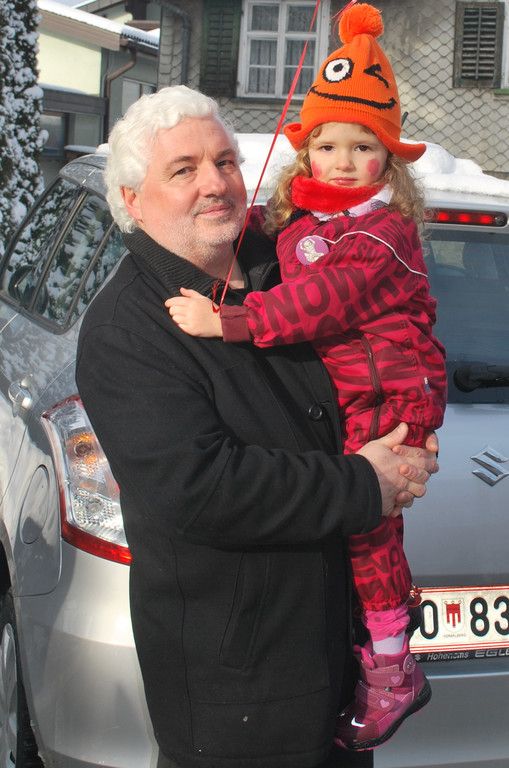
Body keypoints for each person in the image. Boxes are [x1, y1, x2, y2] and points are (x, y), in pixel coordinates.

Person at [76, 83, 439, 768]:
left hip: (335, 670)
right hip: (242, 695)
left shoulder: (289, 262)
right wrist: (366, 483)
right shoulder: (127, 330)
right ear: (132, 200)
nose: (215, 183)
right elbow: (201, 488)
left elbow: (386, 334)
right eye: (183, 170)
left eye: (224, 162)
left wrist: (410, 418)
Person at [165, 4, 447, 754]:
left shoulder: (382, 234)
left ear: (389, 159)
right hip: (353, 392)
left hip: (389, 396)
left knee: (367, 523)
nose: (343, 161)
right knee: (352, 520)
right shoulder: (309, 218)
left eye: (362, 146)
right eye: (327, 145)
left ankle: (393, 668)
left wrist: (227, 322)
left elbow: (322, 300)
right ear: (306, 153)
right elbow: (277, 244)